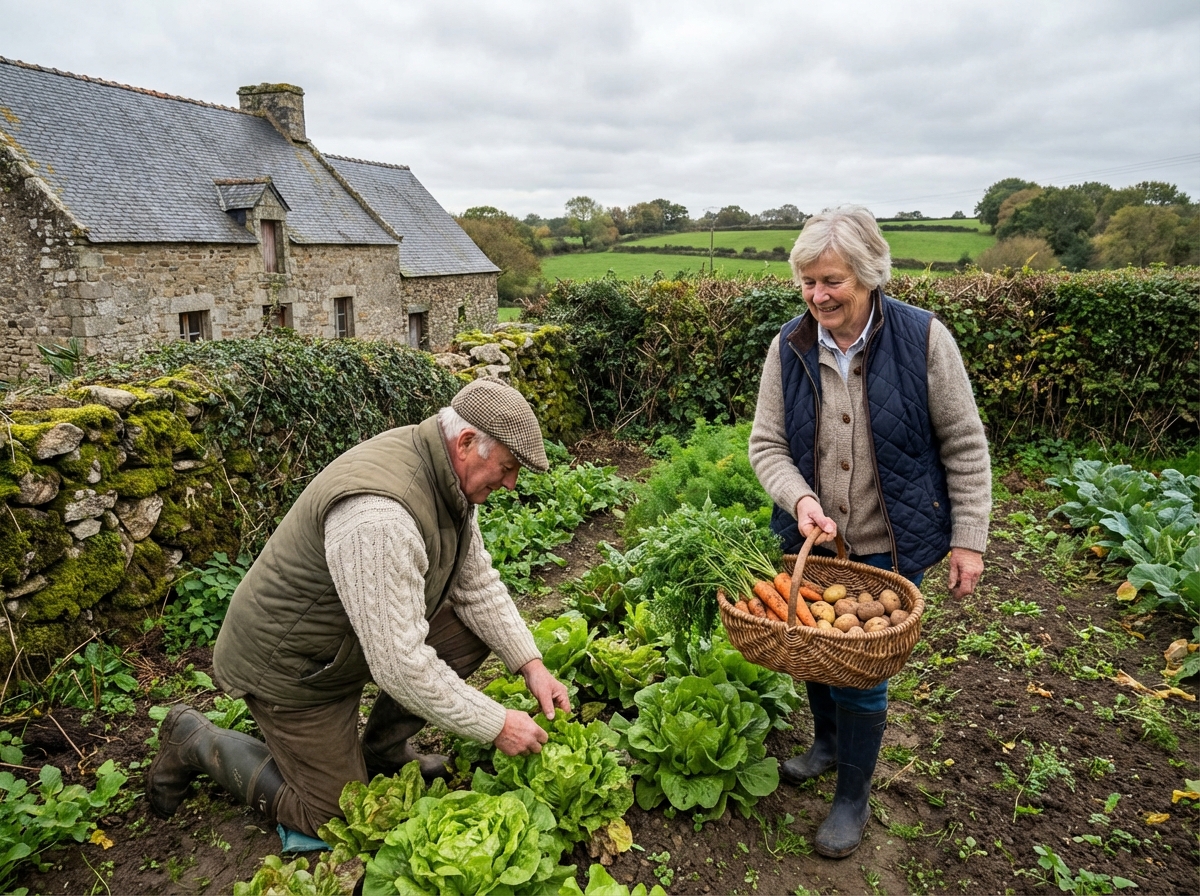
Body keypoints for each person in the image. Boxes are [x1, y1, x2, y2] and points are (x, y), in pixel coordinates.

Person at [146, 377, 571, 839]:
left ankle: (383, 754)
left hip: (346, 646)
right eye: (507, 467)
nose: (510, 483)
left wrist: (530, 664)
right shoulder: (380, 516)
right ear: (467, 442)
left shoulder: (447, 477)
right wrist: (496, 724)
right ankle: (194, 739)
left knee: (472, 629)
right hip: (294, 670)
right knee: (338, 819)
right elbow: (400, 667)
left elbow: (476, 583)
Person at [749, 206, 991, 858]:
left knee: (862, 669)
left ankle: (852, 796)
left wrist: (969, 537)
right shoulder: (789, 345)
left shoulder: (923, 340)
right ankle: (827, 744)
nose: (818, 295)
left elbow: (964, 444)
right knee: (812, 650)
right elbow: (767, 445)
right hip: (814, 542)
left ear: (869, 274)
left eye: (831, 281)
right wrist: (799, 498)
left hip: (890, 538)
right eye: (807, 282)